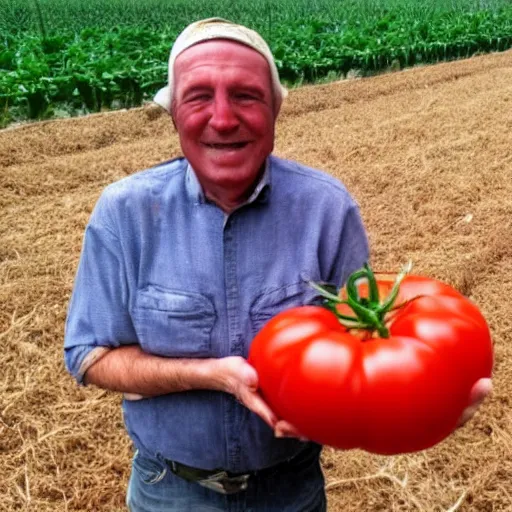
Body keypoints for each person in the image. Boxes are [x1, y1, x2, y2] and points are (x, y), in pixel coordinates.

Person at [64, 18, 491, 512]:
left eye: (246, 96)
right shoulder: (124, 214)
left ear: (276, 110)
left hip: (291, 490)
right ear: (173, 114)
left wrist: (426, 408)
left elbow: (367, 354)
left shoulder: (326, 209)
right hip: (171, 491)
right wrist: (210, 375)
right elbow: (89, 356)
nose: (223, 119)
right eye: (199, 96)